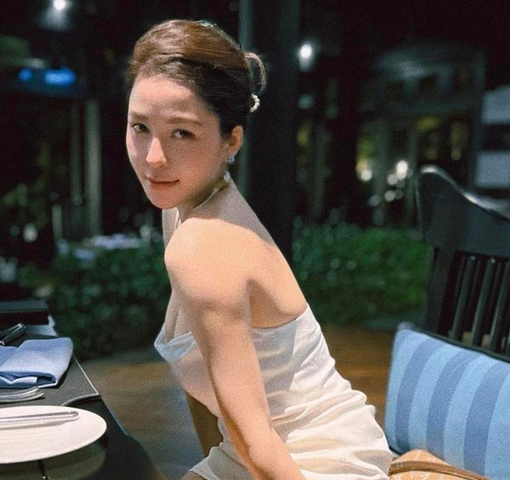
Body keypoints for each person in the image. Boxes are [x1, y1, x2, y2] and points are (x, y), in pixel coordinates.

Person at [125, 19, 392, 480]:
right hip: (255, 449)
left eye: (182, 133)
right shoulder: (184, 207)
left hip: (317, 460)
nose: (154, 157)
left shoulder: (201, 243)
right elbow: (218, 402)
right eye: (140, 127)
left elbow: (257, 444)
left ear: (231, 139)